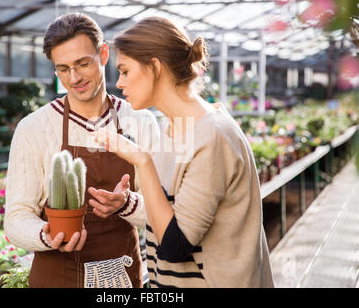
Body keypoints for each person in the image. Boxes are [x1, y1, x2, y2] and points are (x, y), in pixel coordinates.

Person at [92, 16, 275, 288]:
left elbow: (175, 246)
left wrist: (142, 161)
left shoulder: (212, 135)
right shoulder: (173, 127)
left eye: (125, 71)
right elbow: (174, 213)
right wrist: (126, 203)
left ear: (154, 67)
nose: (119, 83)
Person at [4, 12, 159, 288]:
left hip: (120, 277)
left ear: (103, 54)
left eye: (82, 63)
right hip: (56, 277)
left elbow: (162, 211)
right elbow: (16, 217)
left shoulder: (140, 121)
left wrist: (126, 204)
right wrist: (47, 235)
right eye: (63, 69)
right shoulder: (34, 128)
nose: (74, 78)